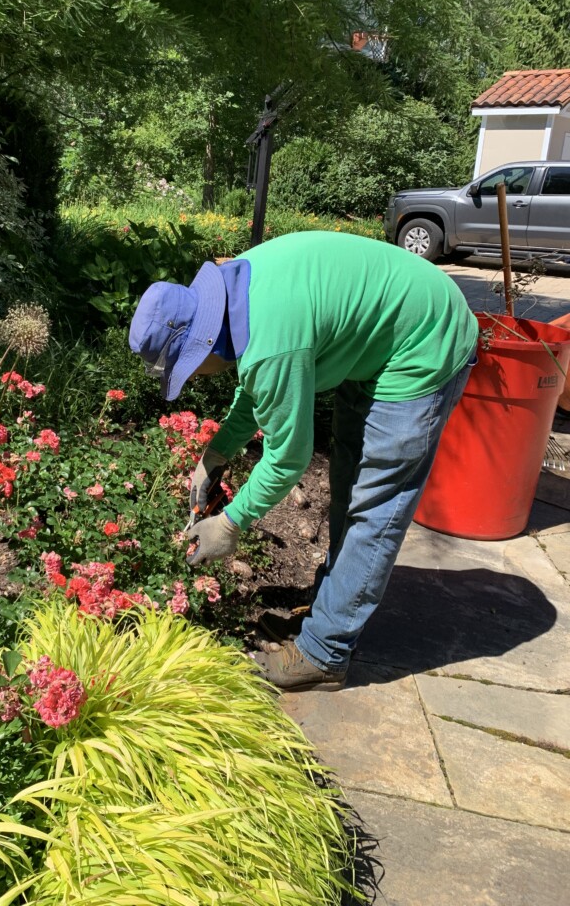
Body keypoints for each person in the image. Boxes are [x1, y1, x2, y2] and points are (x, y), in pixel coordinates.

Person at [129, 231, 478, 691]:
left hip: (424, 342)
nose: (191, 378)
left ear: (202, 343)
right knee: (347, 484)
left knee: (374, 507)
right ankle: (332, 609)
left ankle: (325, 652)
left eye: (186, 368)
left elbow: (288, 458)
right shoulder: (237, 289)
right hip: (376, 336)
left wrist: (231, 523)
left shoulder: (273, 342)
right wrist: (216, 453)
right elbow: (257, 390)